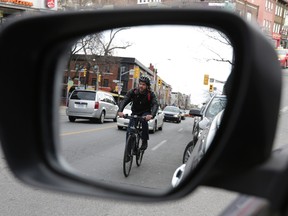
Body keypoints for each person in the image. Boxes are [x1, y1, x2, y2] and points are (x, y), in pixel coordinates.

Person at [118, 75, 159, 151]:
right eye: (140, 84)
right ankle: (128, 151)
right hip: (135, 112)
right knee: (130, 131)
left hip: (145, 112)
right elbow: (125, 100)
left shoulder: (150, 94)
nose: (141, 86)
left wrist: (151, 115)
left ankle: (144, 141)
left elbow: (155, 104)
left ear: (147, 86)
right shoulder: (133, 92)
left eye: (143, 85)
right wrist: (120, 111)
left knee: (144, 122)